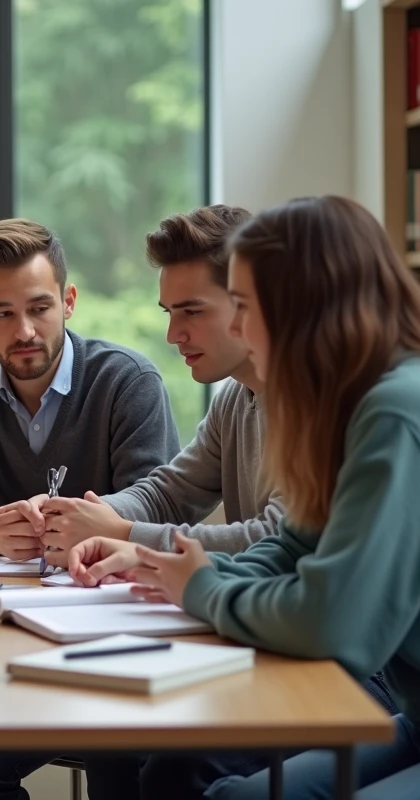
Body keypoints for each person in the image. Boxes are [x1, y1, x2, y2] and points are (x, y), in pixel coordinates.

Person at [70, 195, 420, 800]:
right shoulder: (350, 406)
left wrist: (203, 589)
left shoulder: (403, 412)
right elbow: (294, 544)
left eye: (243, 307)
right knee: (204, 784)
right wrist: (168, 569)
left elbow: (339, 626)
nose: (236, 329)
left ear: (303, 308)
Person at [0, 217, 181, 800]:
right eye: (3, 314)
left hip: (117, 633)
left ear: (68, 302)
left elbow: (160, 505)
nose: (25, 331)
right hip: (17, 635)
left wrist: (84, 524)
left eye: (40, 308)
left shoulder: (127, 380)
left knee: (120, 767)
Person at [34, 204, 284, 558]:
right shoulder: (233, 400)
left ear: (251, 302)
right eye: (170, 313)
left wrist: (123, 533)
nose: (173, 335)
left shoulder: (320, 400)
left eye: (192, 311)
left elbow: (279, 539)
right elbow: (169, 494)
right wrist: (80, 516)